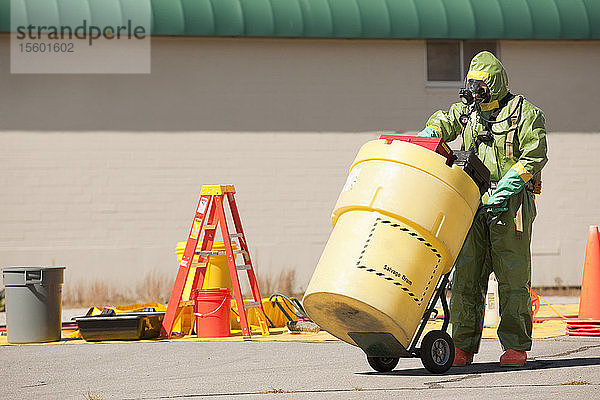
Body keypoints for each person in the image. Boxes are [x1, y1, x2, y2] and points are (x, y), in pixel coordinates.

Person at [417, 51, 548, 367]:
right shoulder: (469, 110)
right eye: (472, 84)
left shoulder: (524, 113)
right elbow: (446, 120)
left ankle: (515, 346)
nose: (476, 91)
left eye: (482, 85)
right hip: (471, 202)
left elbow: (535, 153)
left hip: (509, 204)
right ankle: (462, 346)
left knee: (512, 277)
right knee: (466, 277)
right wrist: (430, 134)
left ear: (496, 83)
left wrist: (509, 187)